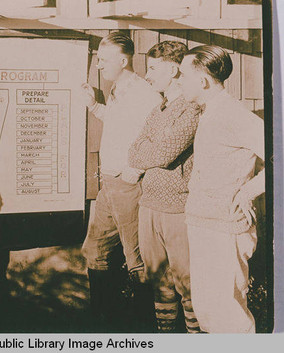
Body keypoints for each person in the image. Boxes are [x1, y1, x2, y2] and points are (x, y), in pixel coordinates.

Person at [178, 45, 265, 333]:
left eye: (182, 75)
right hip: (204, 224)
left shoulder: (232, 113)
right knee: (209, 312)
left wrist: (248, 191)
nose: (179, 81)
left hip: (225, 229)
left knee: (229, 315)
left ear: (202, 81)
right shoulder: (210, 111)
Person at [80, 33, 162, 331]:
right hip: (108, 184)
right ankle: (105, 322)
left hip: (129, 186)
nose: (98, 65)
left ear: (123, 60)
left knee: (135, 257)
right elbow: (118, 123)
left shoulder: (146, 94)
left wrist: (135, 169)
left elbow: (157, 137)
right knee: (96, 252)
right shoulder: (117, 90)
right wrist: (93, 105)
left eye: (103, 60)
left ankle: (144, 328)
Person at [128, 41, 201, 333]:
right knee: (159, 283)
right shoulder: (158, 109)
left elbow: (162, 153)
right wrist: (149, 152)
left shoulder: (191, 109)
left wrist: (149, 152)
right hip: (149, 206)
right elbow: (133, 151)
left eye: (153, 69)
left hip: (178, 210)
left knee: (186, 283)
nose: (148, 76)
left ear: (173, 70)